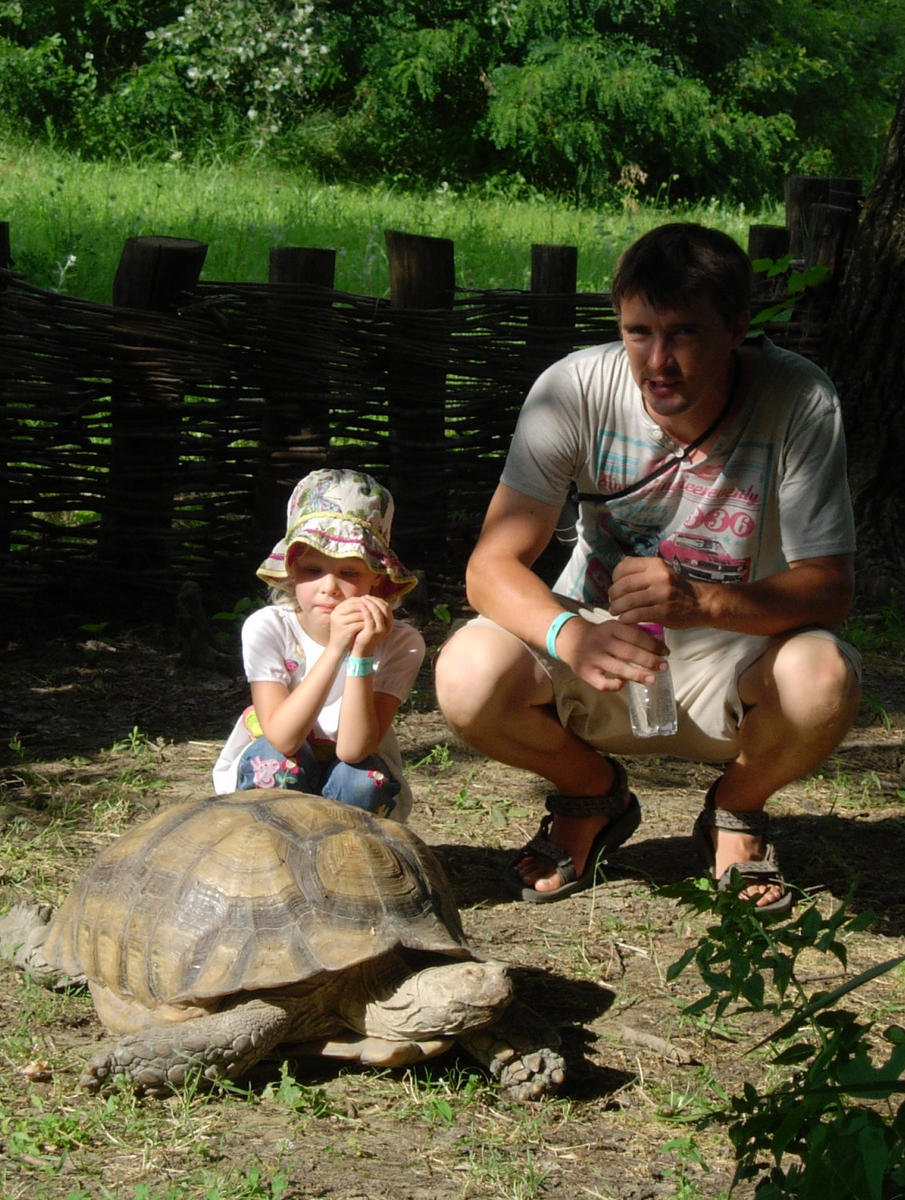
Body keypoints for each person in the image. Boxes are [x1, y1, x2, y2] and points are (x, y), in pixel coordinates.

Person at [435, 222, 861, 908]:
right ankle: (590, 793)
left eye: (684, 334)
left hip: (737, 654)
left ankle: (736, 808)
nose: (657, 360)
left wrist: (703, 603)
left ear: (737, 328)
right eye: (639, 332)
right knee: (465, 675)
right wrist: (570, 636)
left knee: (824, 676)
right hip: (597, 644)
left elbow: (830, 590)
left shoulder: (798, 399)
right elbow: (490, 568)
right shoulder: (573, 389)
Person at [212, 468, 426, 821]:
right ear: (291, 571)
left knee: (363, 782)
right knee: (277, 763)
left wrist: (360, 652)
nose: (329, 587)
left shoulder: (402, 644)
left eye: (349, 573)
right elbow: (283, 738)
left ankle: (352, 859)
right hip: (283, 757)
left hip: (352, 768)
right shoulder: (268, 628)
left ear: (377, 577)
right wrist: (334, 649)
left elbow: (355, 749)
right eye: (313, 571)